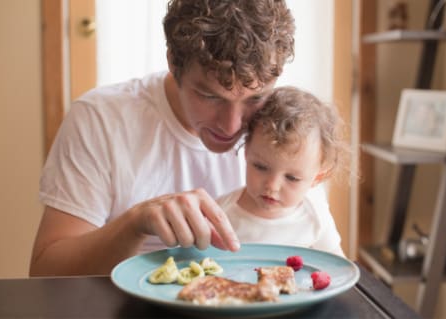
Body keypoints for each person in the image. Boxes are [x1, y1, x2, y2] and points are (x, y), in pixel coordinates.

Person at [29, 0, 296, 276]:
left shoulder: (284, 128)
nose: (231, 126)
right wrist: (135, 223)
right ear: (173, 63)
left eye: (255, 98)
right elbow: (46, 274)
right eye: (210, 96)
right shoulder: (101, 119)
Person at [216, 86, 347, 256]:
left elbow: (338, 269)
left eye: (292, 178)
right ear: (247, 152)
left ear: (317, 178)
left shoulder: (315, 216)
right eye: (261, 167)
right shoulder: (221, 214)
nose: (272, 186)